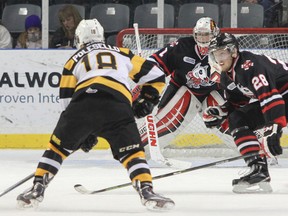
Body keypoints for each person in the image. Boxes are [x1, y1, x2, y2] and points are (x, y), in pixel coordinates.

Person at [16, 18, 175, 211]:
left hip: (83, 103)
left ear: (79, 39)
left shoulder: (73, 59)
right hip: (117, 105)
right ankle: (147, 191)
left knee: (56, 149)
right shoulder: (123, 53)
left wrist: (81, 133)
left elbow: (66, 101)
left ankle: (37, 188)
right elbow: (157, 75)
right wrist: (147, 99)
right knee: (133, 153)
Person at [206, 32, 287, 193]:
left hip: (281, 96)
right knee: (237, 118)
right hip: (281, 99)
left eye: (223, 53)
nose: (219, 58)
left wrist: (274, 129)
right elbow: (237, 102)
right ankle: (258, 169)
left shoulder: (250, 66)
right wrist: (221, 111)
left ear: (234, 52)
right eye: (216, 54)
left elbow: (269, 97)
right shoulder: (227, 76)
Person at [142, 17, 230, 150]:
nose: (203, 38)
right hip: (182, 89)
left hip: (213, 92)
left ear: (215, 34)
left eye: (206, 34)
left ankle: (256, 150)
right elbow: (156, 61)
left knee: (231, 123)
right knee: (163, 124)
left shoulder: (224, 49)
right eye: (199, 34)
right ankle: (135, 151)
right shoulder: (182, 46)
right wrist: (146, 72)